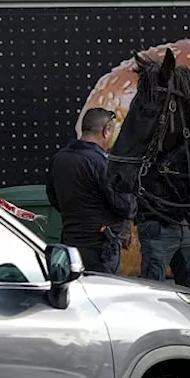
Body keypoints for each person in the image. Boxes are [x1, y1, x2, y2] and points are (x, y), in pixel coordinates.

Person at [46, 107, 137, 274]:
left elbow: (53, 199)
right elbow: (125, 206)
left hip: (70, 247)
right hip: (101, 251)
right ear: (106, 131)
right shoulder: (102, 163)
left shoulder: (59, 159)